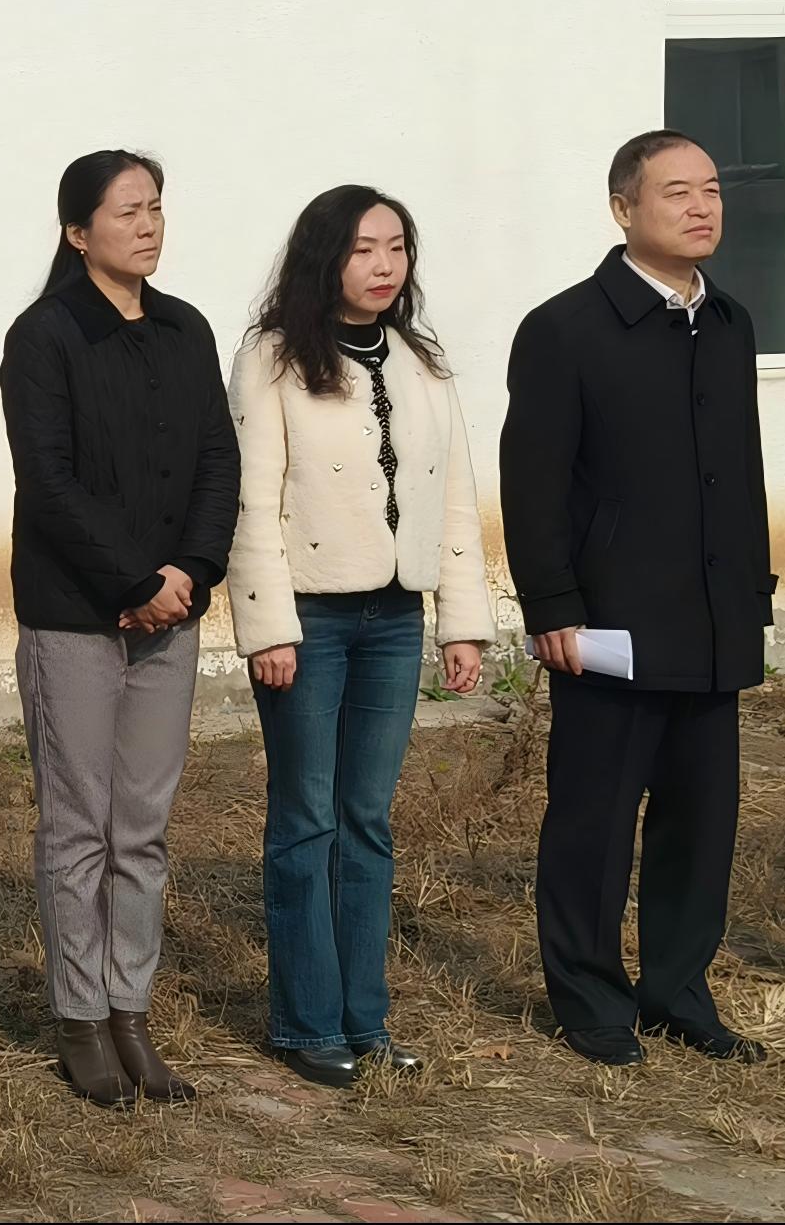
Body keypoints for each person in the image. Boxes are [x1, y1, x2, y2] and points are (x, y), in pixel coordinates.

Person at [502, 130, 776, 1068]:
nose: (702, 207)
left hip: (713, 617)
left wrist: (751, 593)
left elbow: (739, 470)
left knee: (700, 824)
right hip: (609, 620)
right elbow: (533, 480)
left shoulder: (729, 321)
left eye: (712, 189)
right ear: (624, 209)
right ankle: (589, 999)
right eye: (676, 192)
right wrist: (551, 604)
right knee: (594, 819)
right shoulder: (566, 328)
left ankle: (677, 991)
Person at [230, 186, 495, 1089]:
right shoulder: (271, 359)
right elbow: (252, 501)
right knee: (305, 820)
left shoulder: (421, 361)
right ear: (324, 258)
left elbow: (453, 496)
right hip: (308, 620)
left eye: (396, 247)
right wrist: (267, 625)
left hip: (394, 617)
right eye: (361, 249)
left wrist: (463, 621)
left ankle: (365, 1020)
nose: (383, 266)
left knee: (367, 821)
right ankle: (305, 1024)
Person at [0, 150, 241, 1106]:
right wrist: (133, 580)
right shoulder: (44, 336)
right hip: (76, 616)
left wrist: (190, 571)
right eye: (127, 210)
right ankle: (80, 1019)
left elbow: (217, 459)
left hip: (170, 613)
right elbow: (47, 480)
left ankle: (130, 1009)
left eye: (155, 207)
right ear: (77, 231)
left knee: (142, 827)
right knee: (79, 825)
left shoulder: (185, 329)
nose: (148, 225)